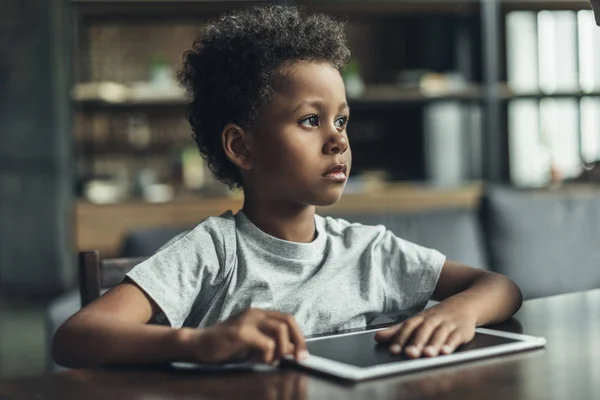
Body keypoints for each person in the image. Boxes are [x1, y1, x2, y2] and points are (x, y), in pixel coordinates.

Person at [53, 5, 522, 368]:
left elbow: (498, 287)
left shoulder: (370, 252)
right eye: (311, 120)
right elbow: (75, 337)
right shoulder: (214, 252)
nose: (338, 138)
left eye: (341, 119)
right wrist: (200, 342)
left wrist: (457, 313)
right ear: (241, 147)